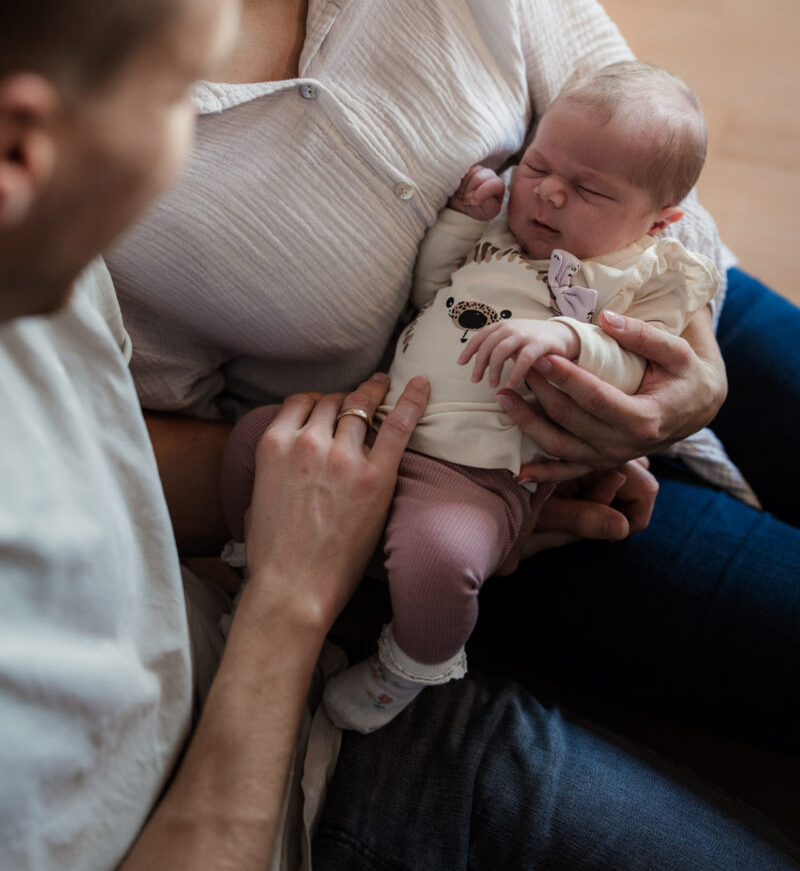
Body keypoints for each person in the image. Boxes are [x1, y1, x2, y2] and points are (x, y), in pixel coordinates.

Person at [4, 0, 799, 871]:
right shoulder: (88, 103)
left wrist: (681, 347)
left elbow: (632, 118)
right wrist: (396, 516)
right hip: (455, 477)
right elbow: (156, 455)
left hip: (645, 307)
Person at [220, 61, 757, 733]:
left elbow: (638, 367)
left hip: (476, 470)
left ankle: (409, 665)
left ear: (660, 220)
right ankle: (247, 563)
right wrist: (459, 220)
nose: (549, 196)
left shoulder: (650, 274)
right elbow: (432, 292)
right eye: (536, 168)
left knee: (441, 558)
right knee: (255, 439)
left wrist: (566, 337)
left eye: (588, 189)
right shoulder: (503, 234)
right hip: (380, 418)